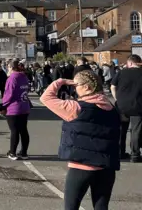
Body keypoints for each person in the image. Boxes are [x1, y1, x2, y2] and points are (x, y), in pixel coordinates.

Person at [40, 71, 120, 210]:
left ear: (87, 87)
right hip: (106, 166)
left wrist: (59, 82)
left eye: (76, 85)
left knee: (71, 206)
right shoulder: (110, 107)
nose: (74, 89)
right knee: (101, 206)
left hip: (81, 166)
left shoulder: (76, 108)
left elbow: (46, 98)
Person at [110, 54, 142, 163]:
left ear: (130, 63)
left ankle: (120, 152)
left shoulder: (121, 72)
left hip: (122, 106)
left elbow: (113, 86)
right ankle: (135, 155)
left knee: (121, 130)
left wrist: (116, 98)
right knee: (136, 131)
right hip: (138, 106)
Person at [2, 60, 31, 160]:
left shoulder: (12, 78)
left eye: (8, 67)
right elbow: (27, 89)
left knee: (14, 131)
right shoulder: (24, 76)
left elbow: (9, 94)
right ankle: (24, 152)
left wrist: (3, 106)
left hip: (14, 108)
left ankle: (12, 152)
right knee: (23, 130)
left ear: (10, 67)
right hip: (24, 106)